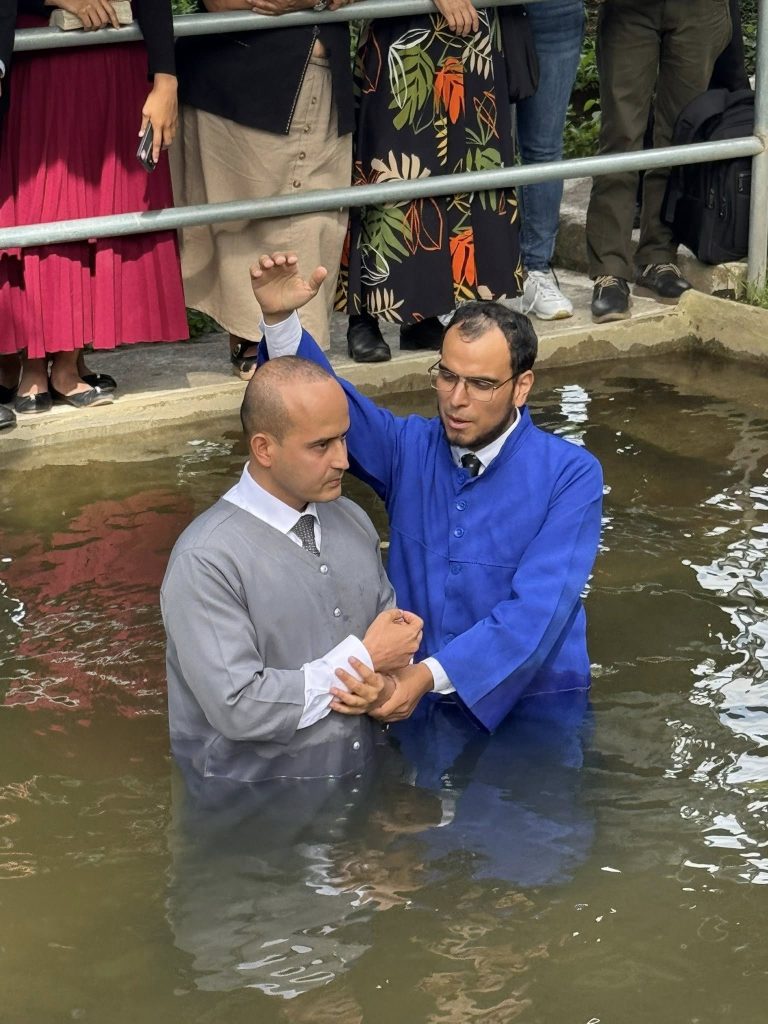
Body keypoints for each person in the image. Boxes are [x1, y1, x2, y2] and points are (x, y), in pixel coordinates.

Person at [251, 253, 604, 732]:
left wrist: (423, 677)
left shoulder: (571, 475)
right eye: (447, 376)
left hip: (537, 705)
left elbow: (537, 611)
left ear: (522, 387)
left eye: (481, 384)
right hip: (415, 700)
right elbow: (327, 403)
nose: (456, 400)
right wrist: (280, 322)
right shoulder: (408, 448)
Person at [161, 353, 424, 783]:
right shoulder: (206, 560)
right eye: (321, 446)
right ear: (264, 448)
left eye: (343, 438)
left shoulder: (352, 519)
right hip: (252, 805)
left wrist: (386, 686)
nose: (343, 460)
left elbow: (391, 640)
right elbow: (238, 707)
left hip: (363, 784)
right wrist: (362, 660)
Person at [0, 0, 188, 415]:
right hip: (43, 51)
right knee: (47, 205)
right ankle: (35, 362)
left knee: (99, 207)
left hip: (116, 54)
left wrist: (166, 77)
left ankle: (69, 358)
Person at [171, 0, 355, 378]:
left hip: (321, 74)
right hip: (238, 76)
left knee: (315, 219)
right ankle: (258, 339)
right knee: (245, 221)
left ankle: (294, 348)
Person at [341, 0, 524, 363]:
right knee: (387, 168)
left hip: (472, 36)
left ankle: (424, 311)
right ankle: (362, 316)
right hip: (401, 30)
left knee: (468, 166)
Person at [585, 0, 732, 323]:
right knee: (621, 135)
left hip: (698, 10)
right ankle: (610, 270)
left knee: (680, 135)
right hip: (628, 9)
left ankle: (659, 256)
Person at [513, 0, 585, 322]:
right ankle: (470, 280)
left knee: (544, 149)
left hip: (555, 9)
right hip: (480, 10)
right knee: (479, 148)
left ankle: (536, 271)